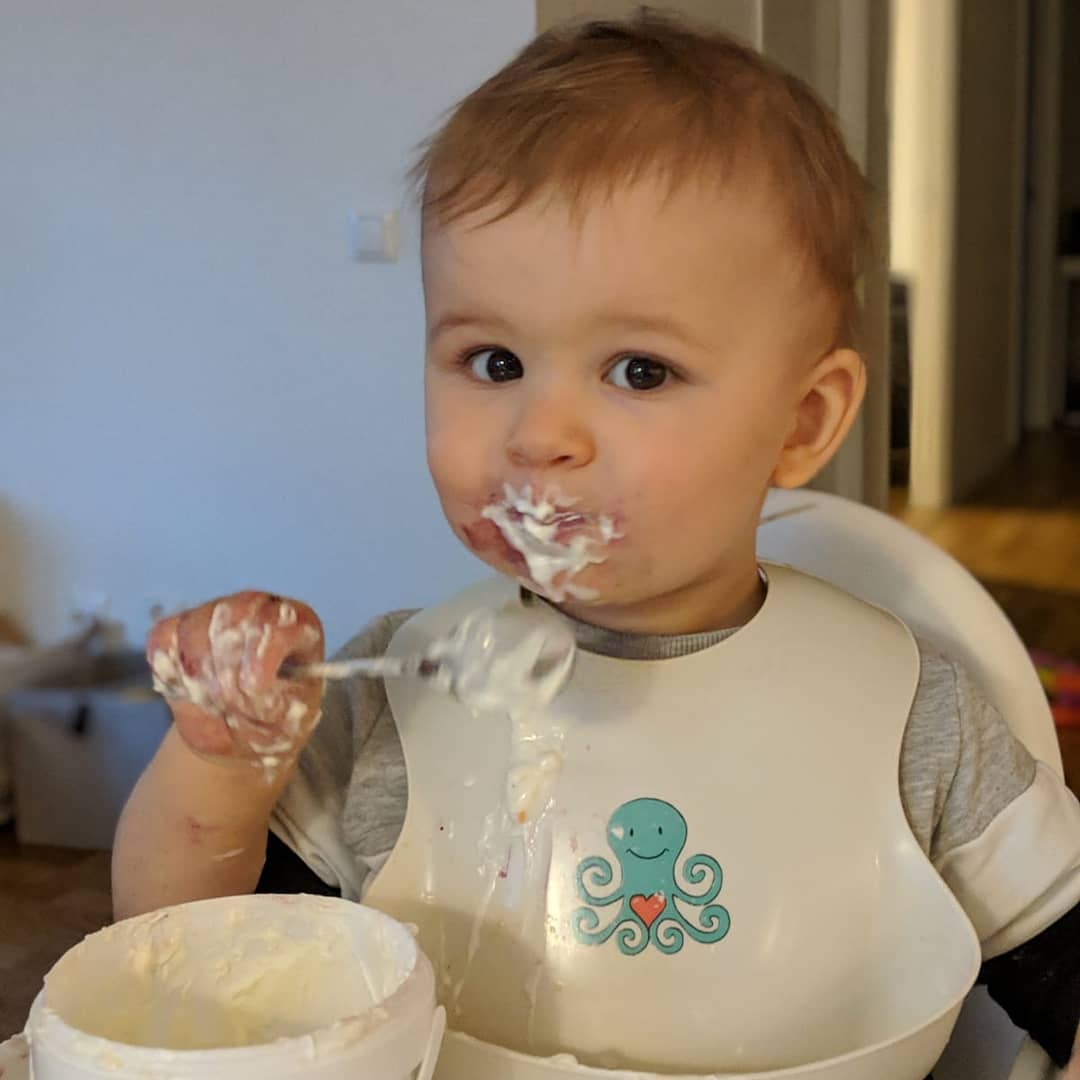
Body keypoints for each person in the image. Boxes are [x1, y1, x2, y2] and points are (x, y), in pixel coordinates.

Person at [112, 12, 1080, 1075]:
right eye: (492, 362)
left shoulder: (917, 720)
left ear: (801, 423)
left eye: (639, 371)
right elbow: (182, 967)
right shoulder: (382, 703)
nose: (540, 436)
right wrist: (221, 763)